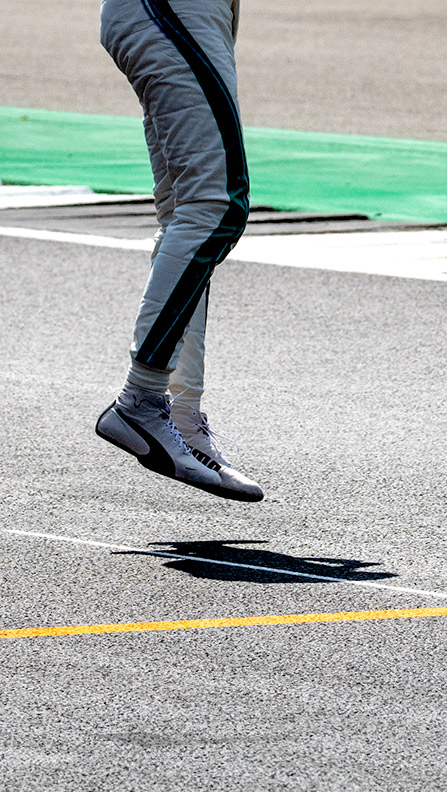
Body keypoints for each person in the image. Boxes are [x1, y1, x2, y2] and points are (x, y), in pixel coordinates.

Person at [93, 0, 263, 502]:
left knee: (187, 212)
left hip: (191, 13)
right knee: (215, 208)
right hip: (168, 9)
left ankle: (181, 415)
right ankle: (142, 400)